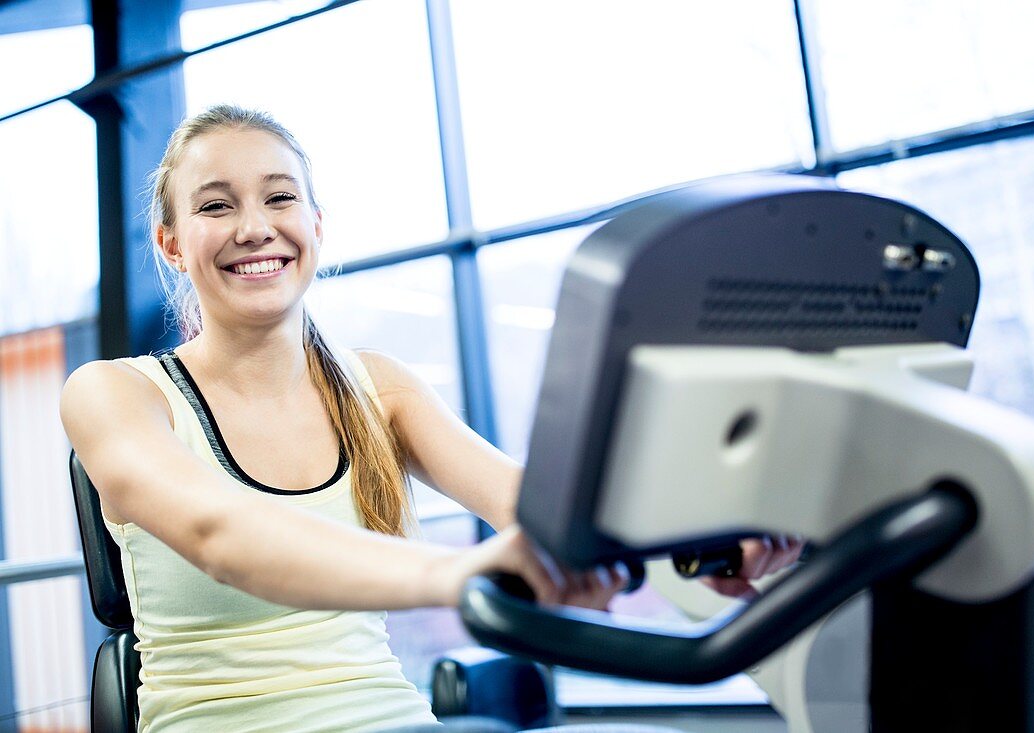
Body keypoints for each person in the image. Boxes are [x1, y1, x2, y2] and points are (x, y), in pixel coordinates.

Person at [60, 105, 802, 732]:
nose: (255, 227)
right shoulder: (115, 395)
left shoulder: (379, 389)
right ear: (172, 243)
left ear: (316, 225)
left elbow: (541, 509)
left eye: (279, 198)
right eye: (216, 205)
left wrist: (707, 531)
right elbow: (222, 536)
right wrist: (463, 571)